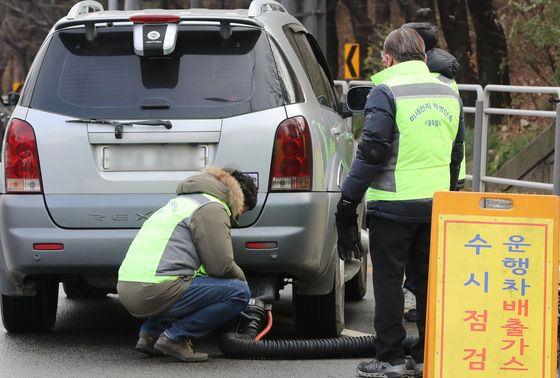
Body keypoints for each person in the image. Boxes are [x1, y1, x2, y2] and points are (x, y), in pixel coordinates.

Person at [336, 28, 464, 377]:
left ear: (388, 59)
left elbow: (373, 150)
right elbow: (456, 153)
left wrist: (348, 199)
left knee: (390, 281)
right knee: (426, 283)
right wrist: (449, 193)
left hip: (393, 204)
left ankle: (390, 357)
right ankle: (425, 356)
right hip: (435, 204)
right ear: (424, 58)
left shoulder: (386, 91)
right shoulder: (449, 92)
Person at [117, 166, 257, 362]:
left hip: (128, 288)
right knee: (238, 292)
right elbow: (221, 266)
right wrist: (246, 286)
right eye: (243, 210)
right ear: (240, 199)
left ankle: (150, 335)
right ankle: (175, 338)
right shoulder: (212, 208)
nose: (239, 216)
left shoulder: (182, 202)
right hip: (153, 290)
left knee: (191, 281)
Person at [400, 22, 464, 324]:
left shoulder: (417, 78)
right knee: (433, 248)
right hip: (445, 173)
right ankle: (431, 302)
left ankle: (415, 296)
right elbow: (459, 139)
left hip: (417, 177)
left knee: (416, 250)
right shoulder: (448, 78)